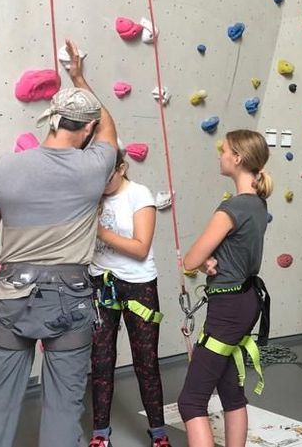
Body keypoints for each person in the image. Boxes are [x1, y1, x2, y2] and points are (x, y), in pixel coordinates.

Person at [0, 39, 118, 447]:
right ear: (86, 130)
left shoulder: (4, 168)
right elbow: (108, 126)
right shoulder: (94, 165)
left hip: (13, 293)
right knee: (63, 408)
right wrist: (79, 78)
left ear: (52, 121)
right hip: (71, 296)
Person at [177, 130, 273, 447]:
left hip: (228, 309)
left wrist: (200, 260)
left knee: (191, 401)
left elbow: (190, 259)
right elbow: (229, 252)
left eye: (224, 150)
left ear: (238, 158)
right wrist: (210, 261)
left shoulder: (231, 209)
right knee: (231, 390)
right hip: (245, 300)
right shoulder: (257, 204)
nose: (220, 155)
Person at [88, 151, 169, 447]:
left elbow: (140, 248)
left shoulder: (139, 194)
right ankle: (100, 433)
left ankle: (159, 433)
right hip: (100, 282)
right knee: (100, 360)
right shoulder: (93, 196)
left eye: (108, 175)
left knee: (146, 362)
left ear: (122, 168)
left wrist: (97, 230)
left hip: (138, 285)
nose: (102, 181)